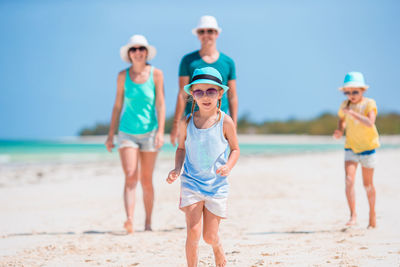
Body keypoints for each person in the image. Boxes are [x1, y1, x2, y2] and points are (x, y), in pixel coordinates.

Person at [166, 67, 240, 267]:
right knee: (193, 233)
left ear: (220, 93)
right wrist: (176, 169)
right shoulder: (187, 122)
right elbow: (181, 148)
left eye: (211, 91)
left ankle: (217, 248)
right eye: (199, 91)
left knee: (209, 236)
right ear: (192, 95)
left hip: (216, 186)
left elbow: (235, 149)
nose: (205, 96)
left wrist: (229, 167)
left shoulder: (226, 122)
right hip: (191, 183)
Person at [105, 34, 165, 234]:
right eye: (134, 49)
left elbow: (161, 104)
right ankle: (129, 219)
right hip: (127, 132)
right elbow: (117, 105)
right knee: (131, 176)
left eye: (141, 49)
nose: (138, 52)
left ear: (146, 52)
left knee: (146, 180)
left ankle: (148, 222)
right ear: (129, 54)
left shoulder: (156, 74)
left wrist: (161, 132)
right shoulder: (122, 76)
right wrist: (110, 134)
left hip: (150, 132)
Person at [170, 15, 238, 146]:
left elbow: (232, 96)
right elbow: (182, 94)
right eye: (202, 31)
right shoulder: (188, 61)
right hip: (193, 121)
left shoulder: (228, 62)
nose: (206, 35)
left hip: (219, 121)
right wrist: (175, 125)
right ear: (198, 35)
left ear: (217, 34)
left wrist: (233, 124)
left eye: (210, 31)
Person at [333, 71, 379, 229]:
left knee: (368, 185)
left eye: (354, 92)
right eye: (347, 92)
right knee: (349, 180)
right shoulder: (344, 105)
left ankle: (372, 214)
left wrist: (352, 113)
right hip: (351, 148)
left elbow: (370, 123)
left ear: (362, 90)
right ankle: (353, 214)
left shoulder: (369, 104)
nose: (350, 95)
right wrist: (340, 130)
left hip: (368, 149)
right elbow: (341, 119)